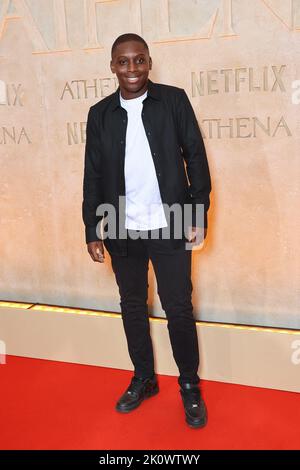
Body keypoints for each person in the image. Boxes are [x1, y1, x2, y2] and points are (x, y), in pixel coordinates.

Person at [82, 33, 211, 428]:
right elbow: (94, 174)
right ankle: (144, 378)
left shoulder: (173, 100)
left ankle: (189, 385)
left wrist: (197, 214)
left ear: (149, 62)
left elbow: (196, 159)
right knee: (132, 306)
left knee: (178, 308)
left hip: (170, 222)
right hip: (122, 226)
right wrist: (92, 226)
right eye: (124, 62)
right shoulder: (99, 113)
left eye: (139, 60)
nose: (132, 69)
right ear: (112, 67)